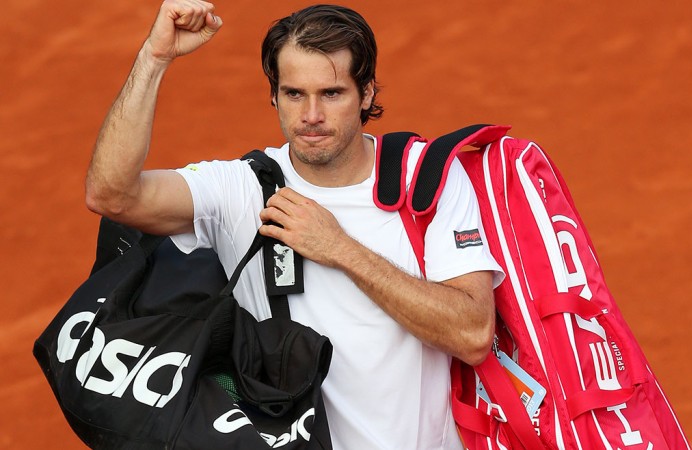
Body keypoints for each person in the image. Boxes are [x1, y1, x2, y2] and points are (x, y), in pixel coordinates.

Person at [85, 1, 504, 448]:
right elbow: (111, 194)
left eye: (331, 93)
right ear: (274, 94)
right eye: (294, 93)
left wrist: (339, 248)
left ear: (366, 94)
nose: (310, 117)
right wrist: (154, 57)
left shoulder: (424, 178)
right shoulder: (241, 189)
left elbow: (472, 333)